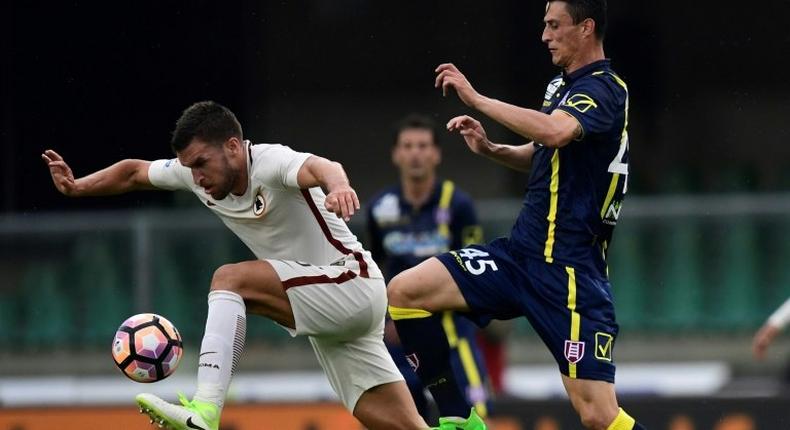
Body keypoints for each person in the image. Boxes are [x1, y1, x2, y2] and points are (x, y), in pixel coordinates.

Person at [41, 101, 430, 430]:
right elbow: (133, 172)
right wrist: (78, 187)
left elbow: (324, 166)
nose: (196, 177)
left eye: (201, 163)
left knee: (230, 279)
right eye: (189, 167)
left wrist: (339, 187)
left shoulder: (270, 161)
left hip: (352, 282)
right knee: (392, 421)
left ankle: (206, 408)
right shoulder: (196, 174)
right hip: (330, 312)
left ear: (232, 146)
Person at [387, 1, 647, 429]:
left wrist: (477, 99)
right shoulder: (559, 87)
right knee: (405, 292)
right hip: (520, 254)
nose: (544, 35)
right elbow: (546, 152)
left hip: (569, 272)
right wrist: (493, 149)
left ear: (586, 28)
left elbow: (556, 131)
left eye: (553, 25)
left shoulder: (605, 88)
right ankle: (459, 418)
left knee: (599, 416)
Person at [367, 114, 490, 423]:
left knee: (472, 419)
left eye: (423, 146)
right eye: (407, 146)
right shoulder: (379, 208)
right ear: (396, 154)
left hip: (453, 336)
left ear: (436, 154)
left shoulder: (458, 205)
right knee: (403, 421)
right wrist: (386, 317)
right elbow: (376, 268)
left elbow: (475, 270)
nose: (415, 153)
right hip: (400, 340)